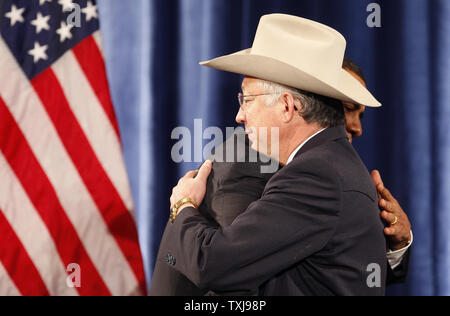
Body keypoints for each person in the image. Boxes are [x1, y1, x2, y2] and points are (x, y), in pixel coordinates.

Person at [155, 14, 391, 296]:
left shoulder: (316, 174)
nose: (239, 116)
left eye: (247, 100)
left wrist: (183, 203)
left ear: (287, 106)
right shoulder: (331, 162)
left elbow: (215, 266)